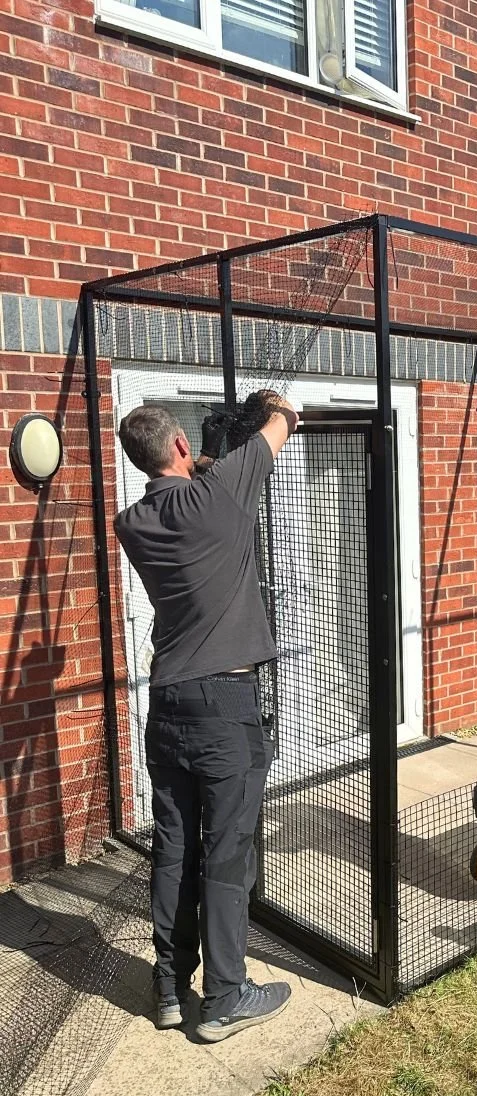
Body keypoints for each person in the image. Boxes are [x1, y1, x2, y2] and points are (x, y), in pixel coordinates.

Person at [114, 389, 297, 1040]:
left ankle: (169, 989)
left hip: (168, 703)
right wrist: (267, 410)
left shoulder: (131, 524)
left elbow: (187, 500)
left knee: (173, 848)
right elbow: (285, 420)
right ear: (181, 445)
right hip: (225, 704)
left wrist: (211, 463)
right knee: (225, 853)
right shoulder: (220, 492)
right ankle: (225, 996)